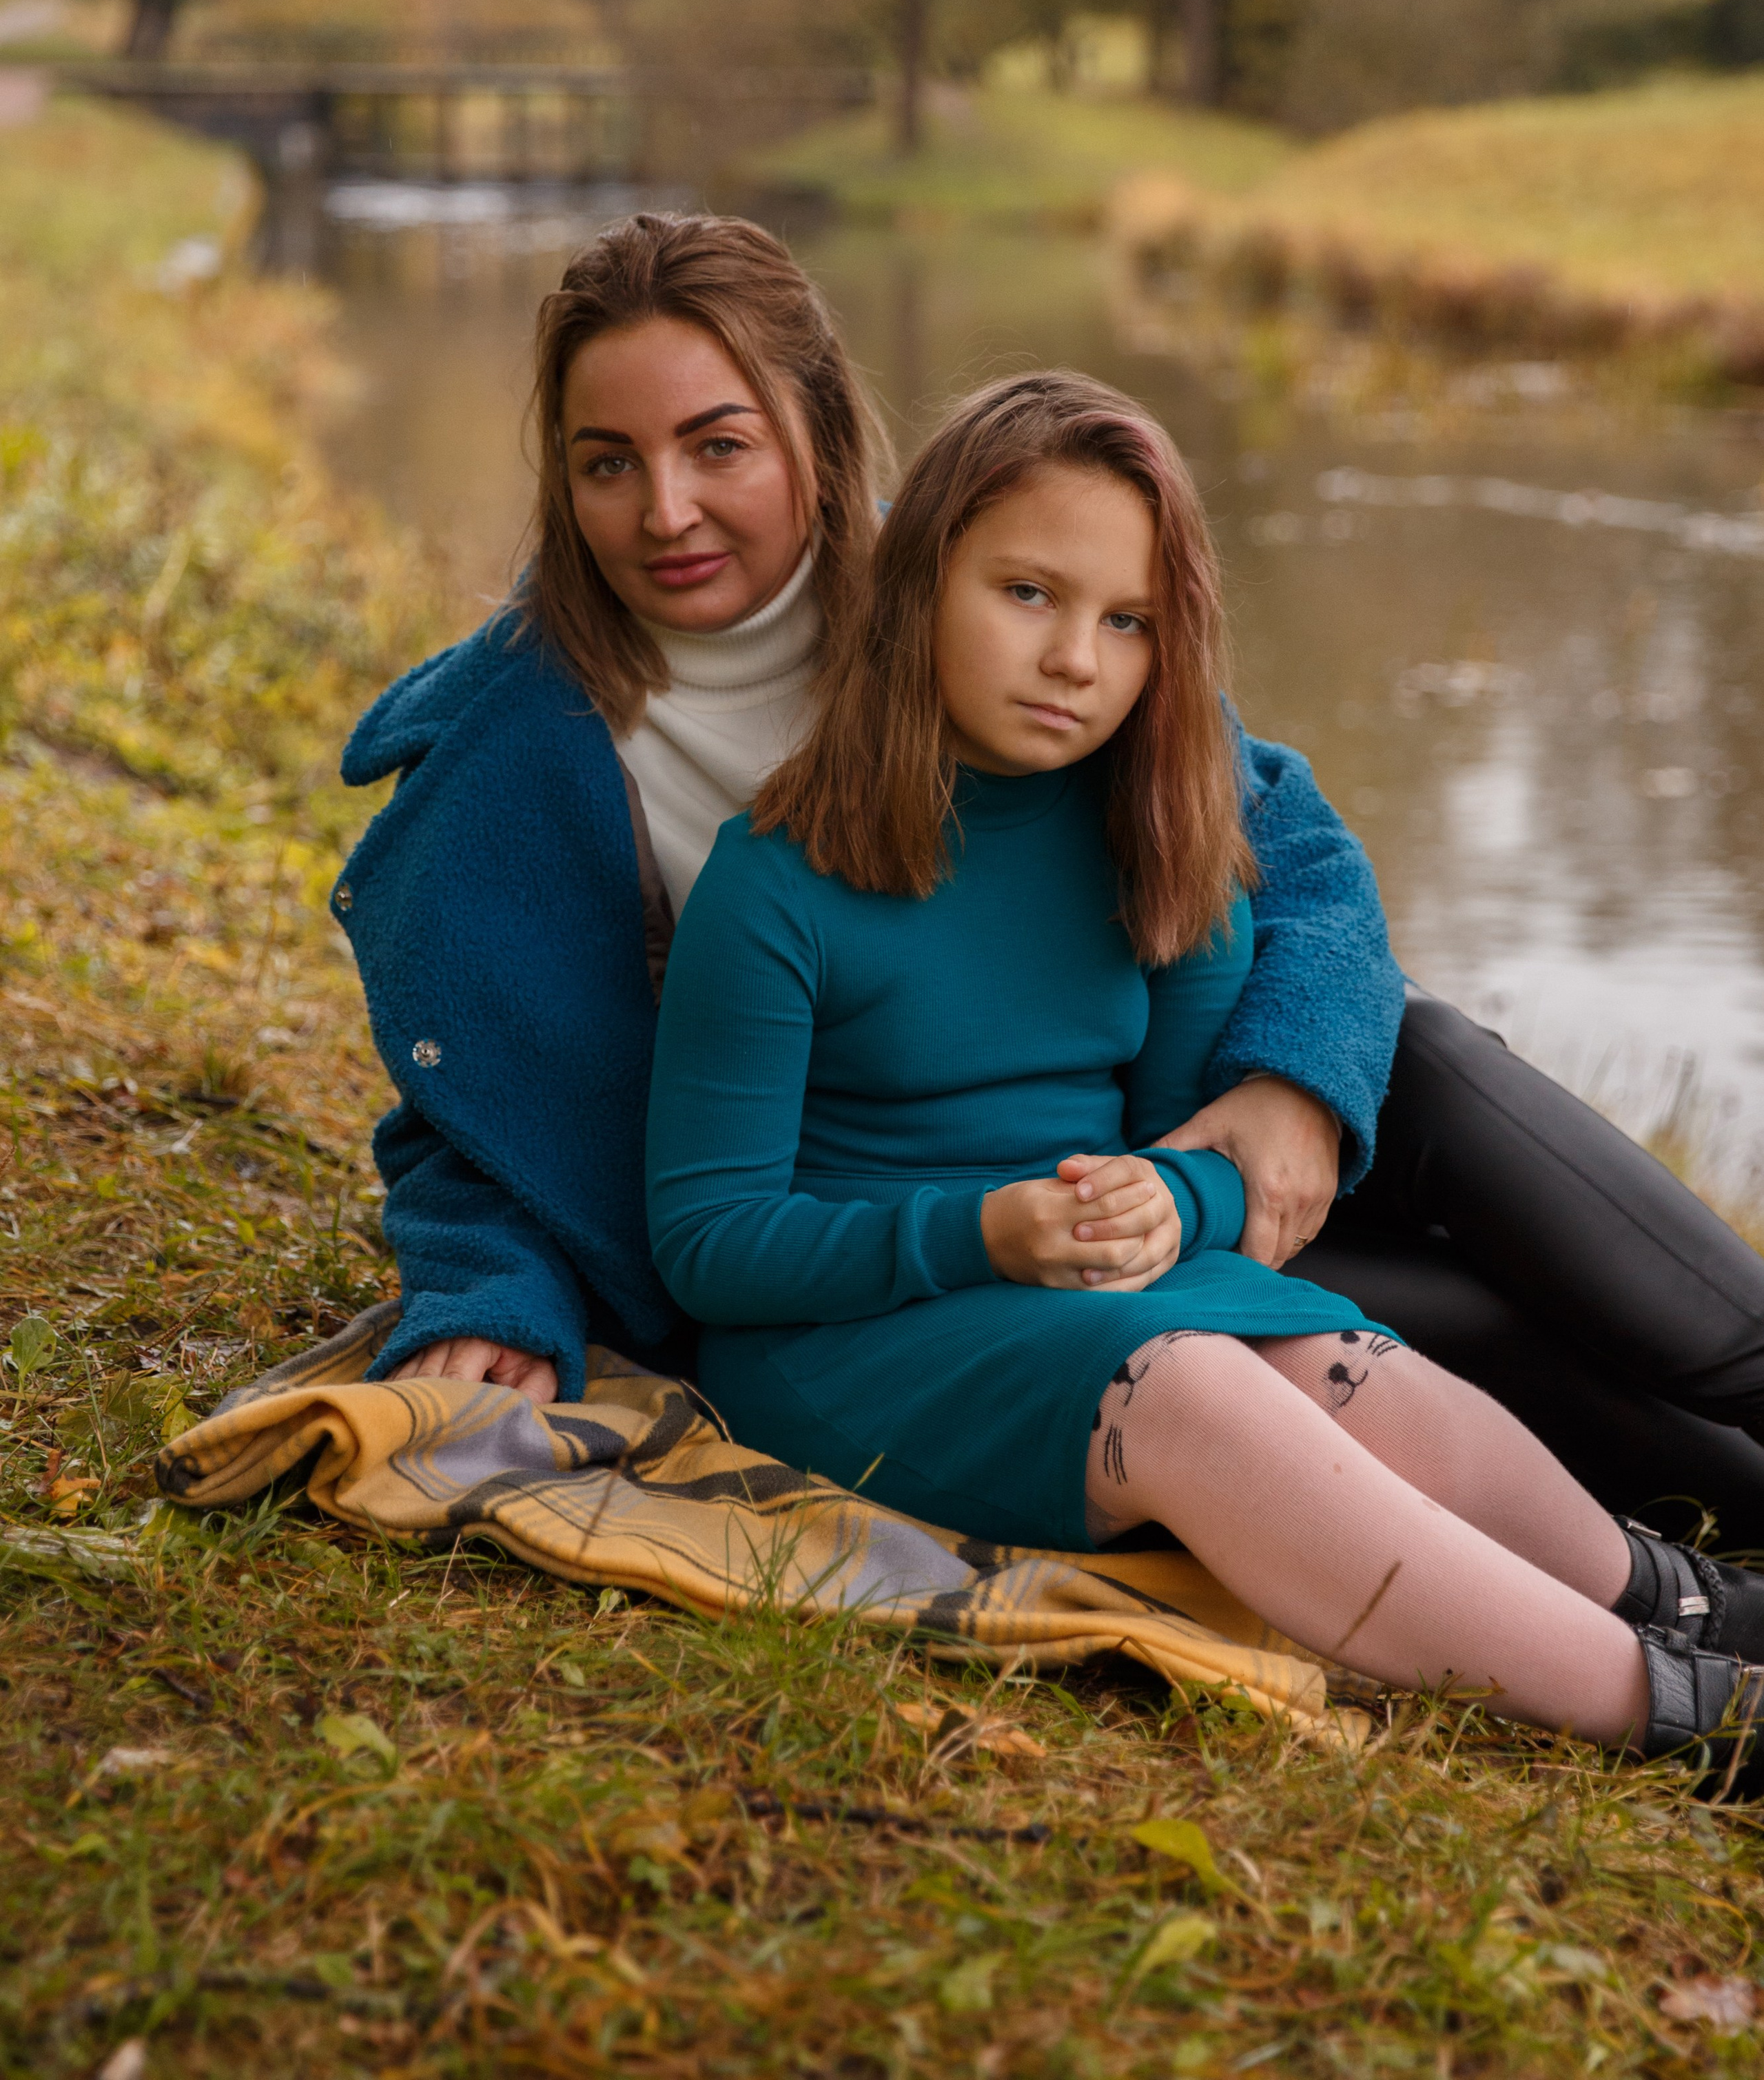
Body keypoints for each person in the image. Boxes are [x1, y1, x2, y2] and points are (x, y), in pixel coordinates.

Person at [331, 210, 1764, 1541]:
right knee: (1479, 1322)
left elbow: (1290, 844)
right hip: (915, 1254)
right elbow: (484, 1094)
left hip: (1162, 1150)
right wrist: (497, 1287)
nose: (666, 511)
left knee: (1427, 1059)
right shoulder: (515, 755)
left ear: (818, 429)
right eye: (607, 463)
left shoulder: (975, 590)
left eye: (720, 447)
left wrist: (1293, 1086)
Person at [644, 369, 1764, 1773]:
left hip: (1097, 1294)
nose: (1075, 659)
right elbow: (706, 1243)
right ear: (917, 581)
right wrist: (982, 1230)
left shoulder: (1155, 837)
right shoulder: (776, 881)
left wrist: (1177, 1201)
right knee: (1189, 1390)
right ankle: (1683, 1714)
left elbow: (1206, 1157)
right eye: (1028, 595)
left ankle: (1683, 1601)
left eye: (1127, 622)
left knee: (1354, 1369)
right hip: (851, 1338)